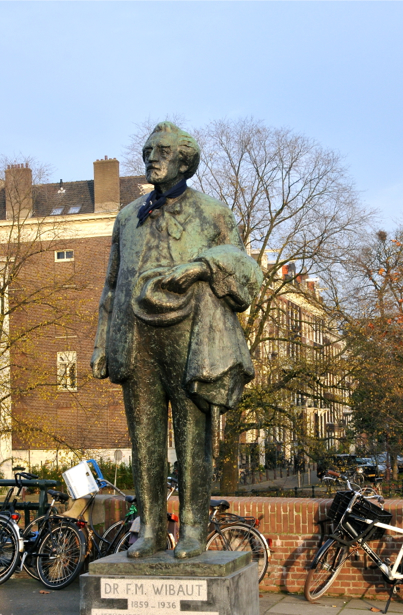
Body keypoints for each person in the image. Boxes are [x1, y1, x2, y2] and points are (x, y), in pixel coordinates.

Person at [91, 122, 262, 559]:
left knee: (192, 441)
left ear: (185, 160)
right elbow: (111, 286)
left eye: (162, 151)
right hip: (136, 339)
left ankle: (190, 530)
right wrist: (100, 342)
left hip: (190, 341)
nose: (152, 158)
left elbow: (244, 271)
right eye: (148, 151)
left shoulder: (213, 212)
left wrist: (202, 265)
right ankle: (148, 528)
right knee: (143, 442)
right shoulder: (129, 216)